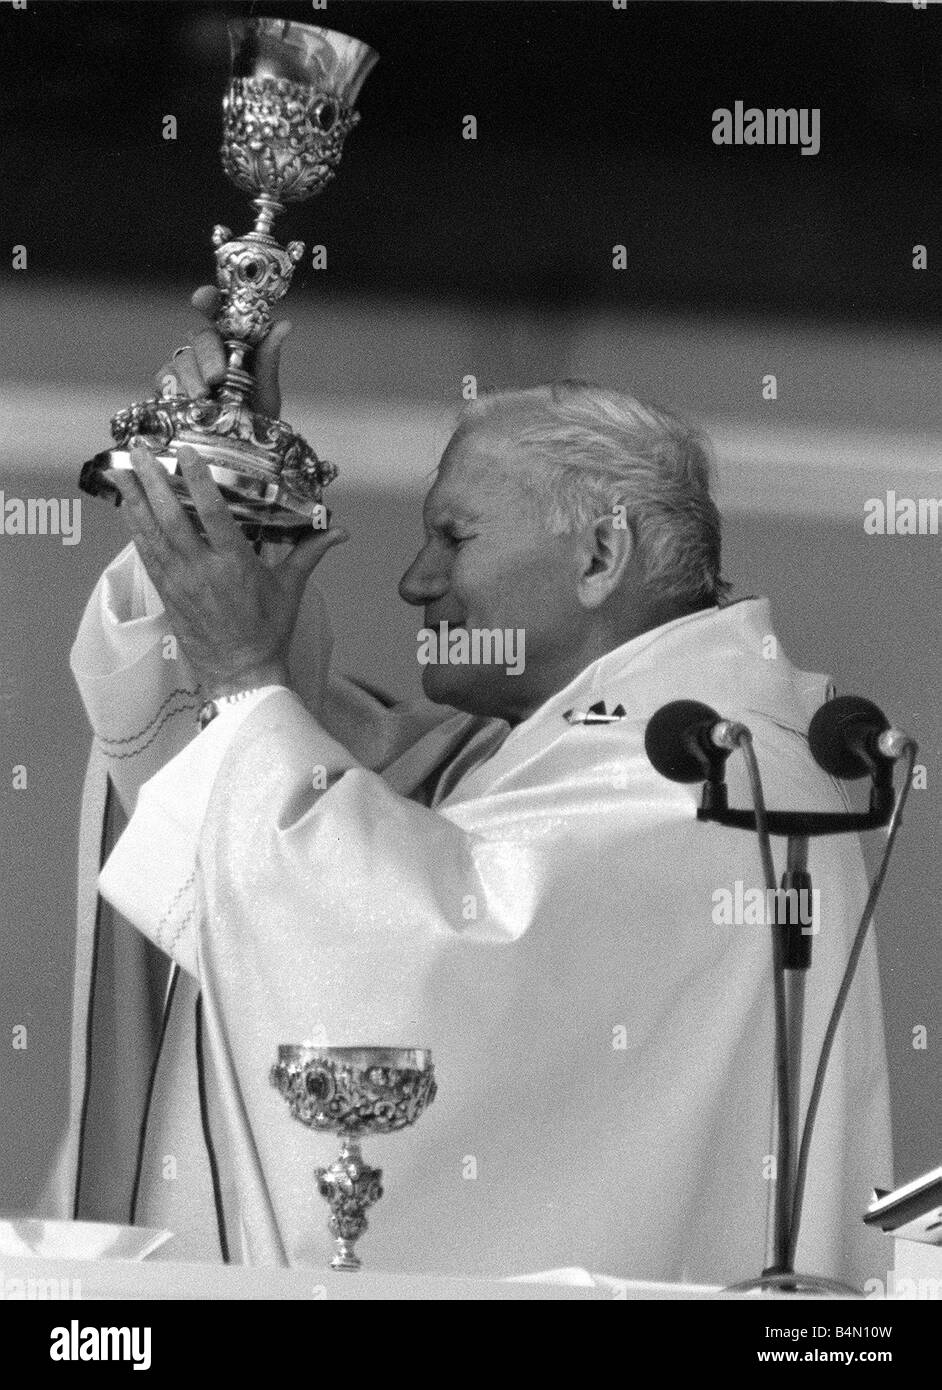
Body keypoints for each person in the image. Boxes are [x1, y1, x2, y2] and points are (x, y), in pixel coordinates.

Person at [44, 291, 893, 1283]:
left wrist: (243, 674)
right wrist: (225, 508)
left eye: (454, 536)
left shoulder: (718, 775)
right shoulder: (567, 750)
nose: (414, 580)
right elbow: (317, 774)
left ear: (599, 554)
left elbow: (422, 949)